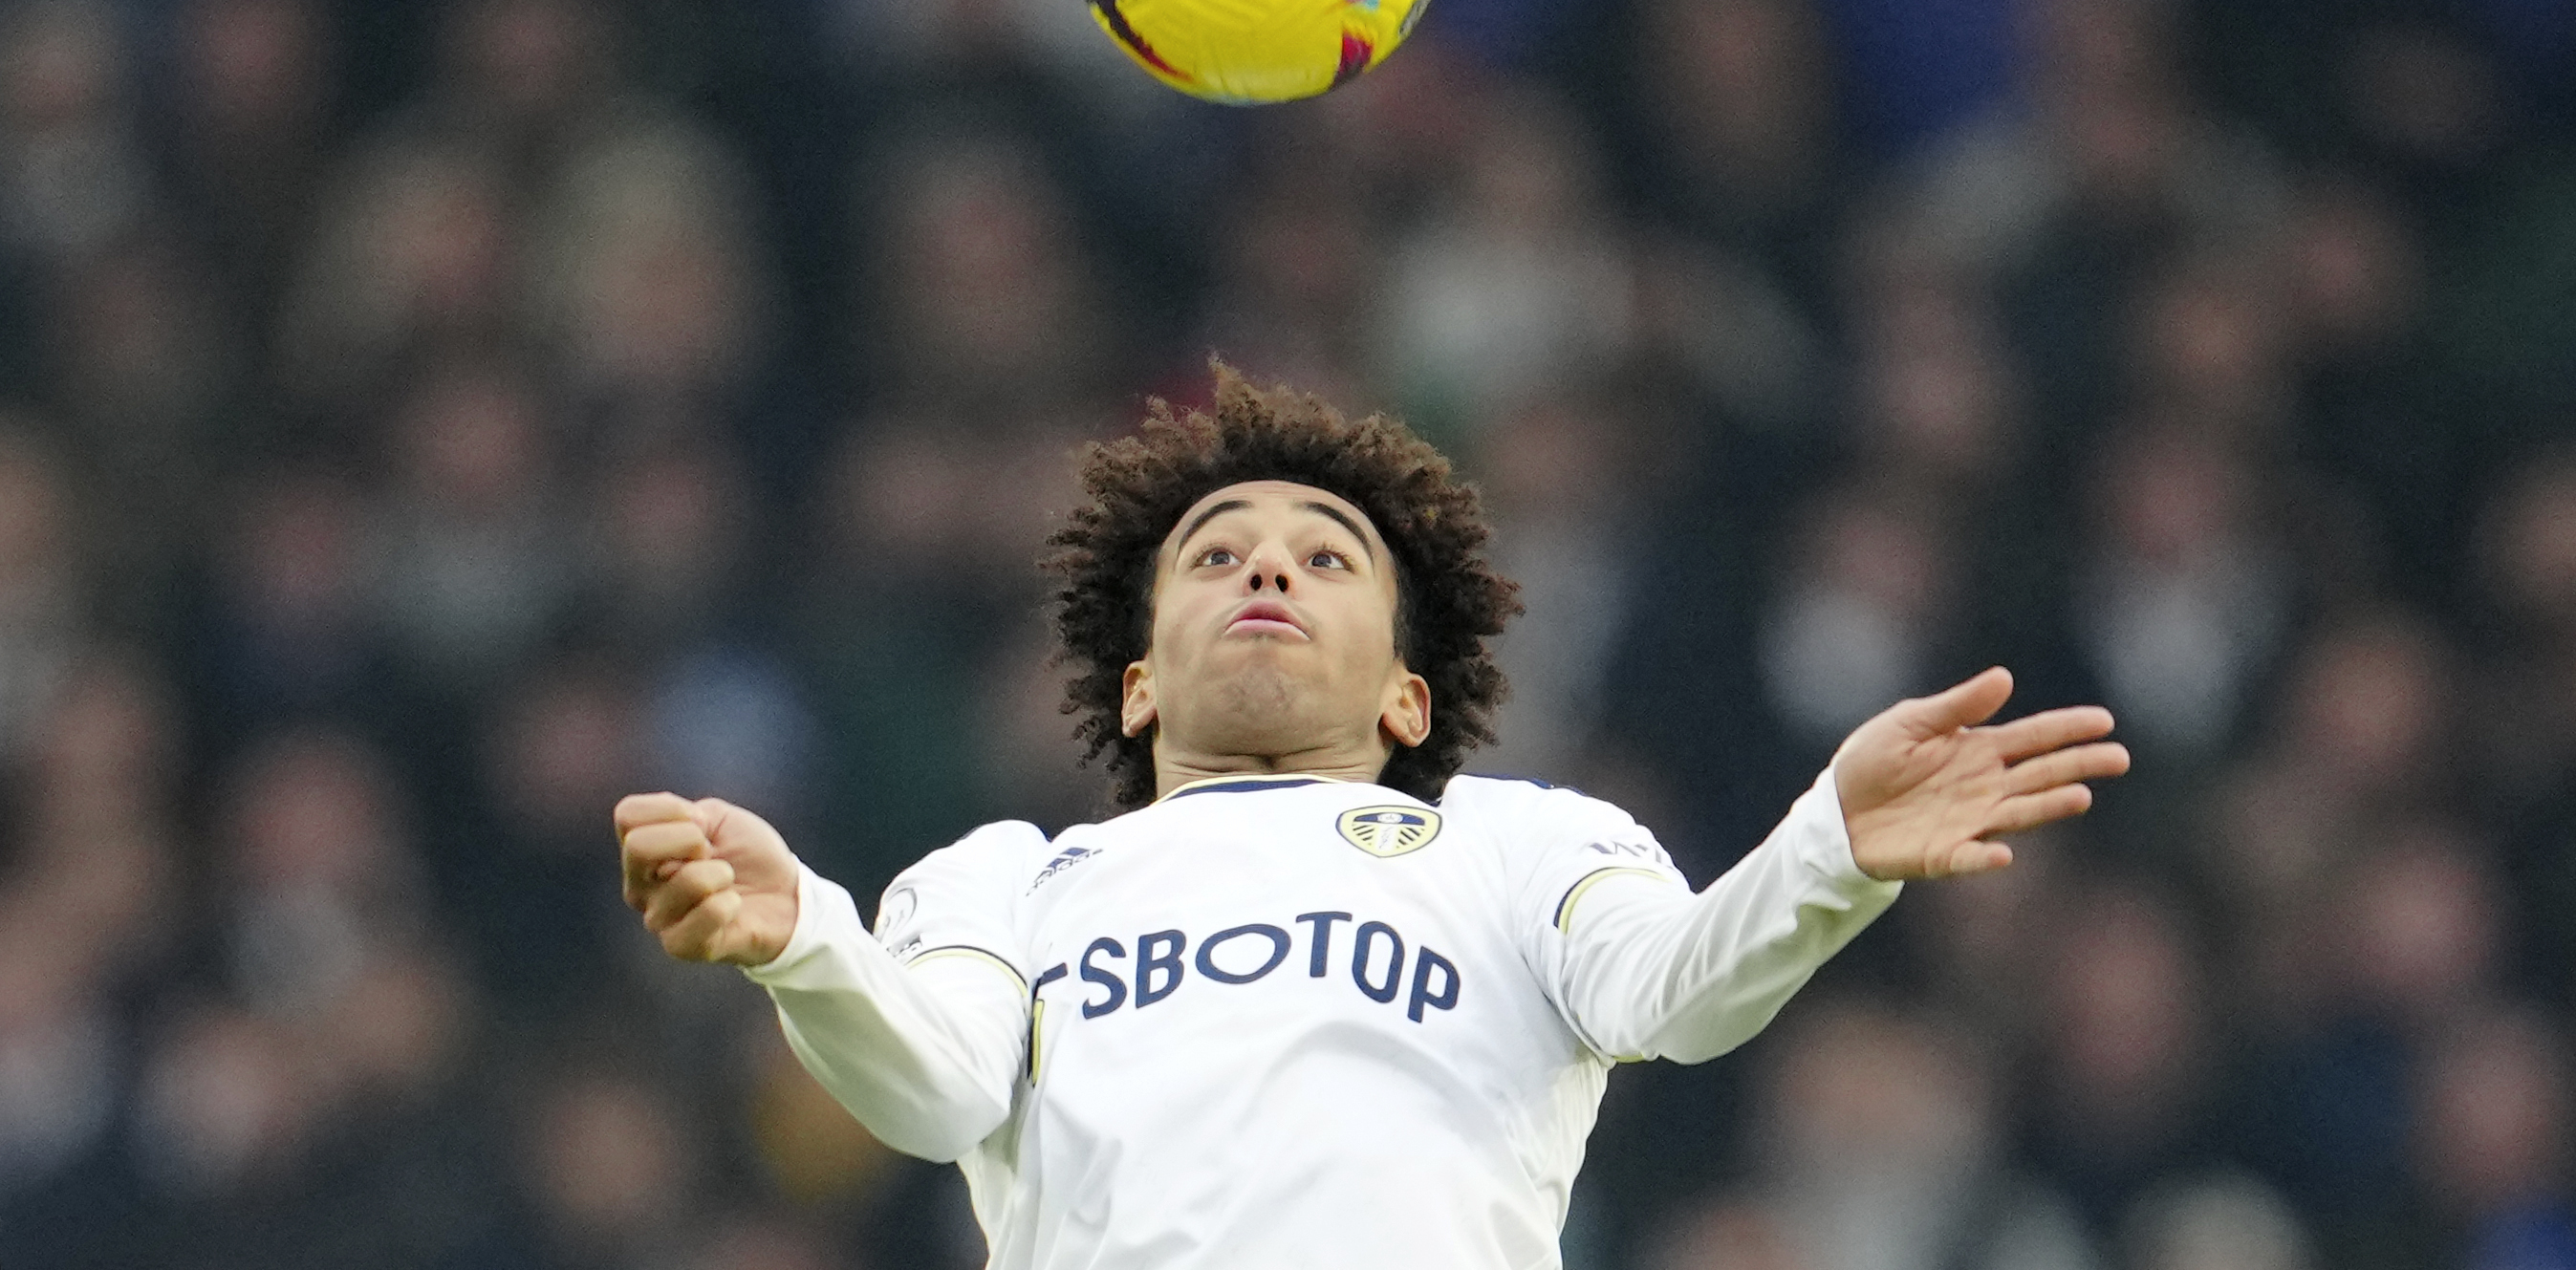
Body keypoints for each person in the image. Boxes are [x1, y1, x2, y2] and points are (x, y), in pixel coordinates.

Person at [614, 370, 2129, 1268]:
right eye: (1215, 555)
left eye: (1326, 559)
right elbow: (936, 1092)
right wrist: (805, 935)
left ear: (1409, 696)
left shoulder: (1523, 840)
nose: (1265, 573)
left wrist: (1827, 851)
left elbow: (1671, 992)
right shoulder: (1013, 878)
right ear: (1139, 684)